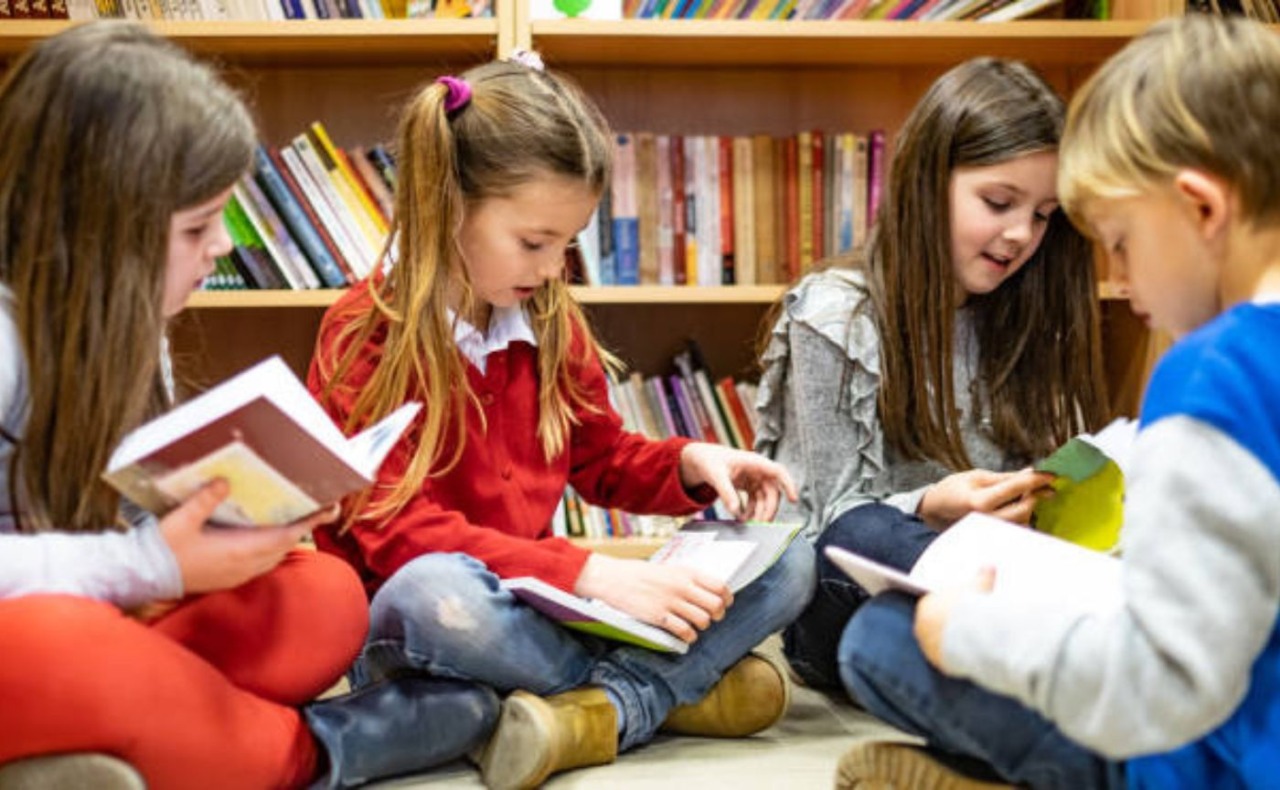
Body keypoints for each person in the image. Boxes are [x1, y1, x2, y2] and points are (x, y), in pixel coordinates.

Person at [0, 22, 499, 790]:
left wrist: (243, 521)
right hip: (40, 627)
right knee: (50, 648)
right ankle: (316, 748)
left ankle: (135, 734)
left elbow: (126, 521)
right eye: (198, 227)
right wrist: (150, 565)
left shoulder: (126, 323)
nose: (224, 248)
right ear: (90, 229)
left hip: (101, 606)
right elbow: (113, 570)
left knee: (323, 595)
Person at [307, 52, 816, 790]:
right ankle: (663, 694)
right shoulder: (363, 332)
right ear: (448, 204)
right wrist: (589, 574)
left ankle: (596, 707)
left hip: (548, 611)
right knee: (433, 591)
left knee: (791, 556)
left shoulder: (548, 318)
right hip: (441, 617)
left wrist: (689, 465)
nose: (552, 269)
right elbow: (397, 535)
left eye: (566, 244)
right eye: (534, 243)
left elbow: (602, 459)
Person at [837, 13, 1280, 789]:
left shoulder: (1214, 375)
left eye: (1121, 241)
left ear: (1202, 210)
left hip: (1210, 761)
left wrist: (971, 631)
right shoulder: (839, 309)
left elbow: (1164, 683)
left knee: (883, 638)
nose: (1121, 279)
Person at [755, 57, 1110, 696]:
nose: (1020, 234)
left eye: (1043, 214)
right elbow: (828, 522)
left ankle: (1007, 654)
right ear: (926, 183)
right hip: (848, 595)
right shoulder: (835, 314)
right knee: (861, 531)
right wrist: (930, 505)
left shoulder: (1034, 312)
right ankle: (1042, 650)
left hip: (999, 582)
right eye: (999, 202)